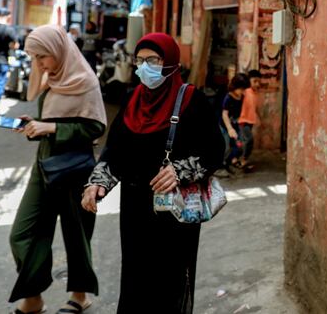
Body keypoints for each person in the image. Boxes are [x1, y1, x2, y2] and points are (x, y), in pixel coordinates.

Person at [81, 33, 224, 313]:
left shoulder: (192, 100)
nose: (145, 67)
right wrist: (98, 183)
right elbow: (116, 150)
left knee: (171, 280)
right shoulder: (133, 98)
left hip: (175, 210)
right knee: (135, 276)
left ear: (170, 62)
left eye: (154, 60)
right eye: (140, 60)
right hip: (134, 207)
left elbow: (215, 151)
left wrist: (180, 170)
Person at [8, 25, 107, 314]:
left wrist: (50, 127)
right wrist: (35, 126)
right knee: (23, 233)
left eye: (43, 57)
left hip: (75, 165)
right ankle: (34, 295)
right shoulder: (54, 78)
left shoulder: (85, 81)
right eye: (35, 58)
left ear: (60, 51)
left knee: (76, 233)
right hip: (45, 161)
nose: (39, 64)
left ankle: (80, 295)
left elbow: (95, 126)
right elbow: (54, 117)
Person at [221, 73, 247, 170]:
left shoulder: (242, 96)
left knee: (237, 144)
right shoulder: (228, 98)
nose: (243, 92)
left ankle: (233, 160)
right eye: (241, 89)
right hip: (225, 125)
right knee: (226, 145)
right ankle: (222, 165)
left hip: (236, 124)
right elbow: (224, 114)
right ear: (235, 87)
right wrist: (229, 128)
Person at [237, 69, 261, 172]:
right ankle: (242, 160)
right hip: (243, 121)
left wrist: (258, 117)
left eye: (259, 81)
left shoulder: (255, 93)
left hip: (250, 121)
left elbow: (254, 108)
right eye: (255, 81)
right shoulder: (245, 92)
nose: (257, 84)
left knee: (245, 141)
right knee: (249, 140)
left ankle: (242, 160)